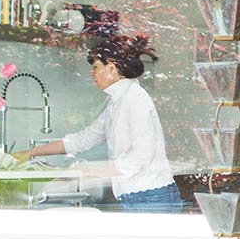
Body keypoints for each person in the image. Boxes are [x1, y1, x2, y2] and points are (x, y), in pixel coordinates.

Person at [17, 33, 180, 212]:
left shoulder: (135, 98)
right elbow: (84, 139)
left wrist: (99, 171)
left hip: (151, 197)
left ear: (112, 68)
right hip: (137, 196)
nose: (92, 73)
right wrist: (30, 153)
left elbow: (142, 154)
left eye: (95, 67)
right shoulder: (116, 101)